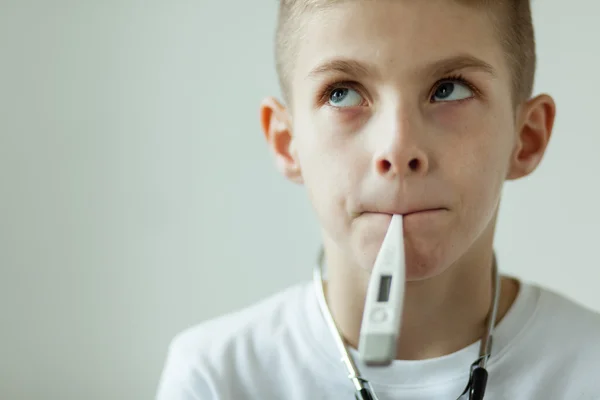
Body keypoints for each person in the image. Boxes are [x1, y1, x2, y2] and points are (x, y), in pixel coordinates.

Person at [156, 1, 600, 399]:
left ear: (525, 138)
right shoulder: (214, 378)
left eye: (449, 89)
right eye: (342, 92)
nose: (398, 148)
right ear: (286, 142)